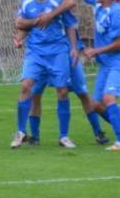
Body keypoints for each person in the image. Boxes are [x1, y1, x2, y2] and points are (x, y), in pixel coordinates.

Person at [53, 0, 120, 151]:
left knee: (109, 98)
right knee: (95, 104)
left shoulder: (116, 13)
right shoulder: (98, 3)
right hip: (106, 63)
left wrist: (95, 51)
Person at [26, 11, 112, 146]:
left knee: (82, 93)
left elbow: (70, 4)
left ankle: (98, 132)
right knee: (35, 94)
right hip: (42, 55)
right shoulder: (34, 5)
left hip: (68, 55)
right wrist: (19, 36)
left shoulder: (61, 4)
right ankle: (35, 137)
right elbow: (23, 24)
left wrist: (76, 48)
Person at [11, 0, 76, 148]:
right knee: (26, 87)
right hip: (36, 52)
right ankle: (20, 132)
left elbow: (71, 5)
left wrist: (51, 15)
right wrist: (20, 38)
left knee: (62, 91)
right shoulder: (27, 2)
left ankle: (64, 136)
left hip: (57, 52)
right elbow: (20, 24)